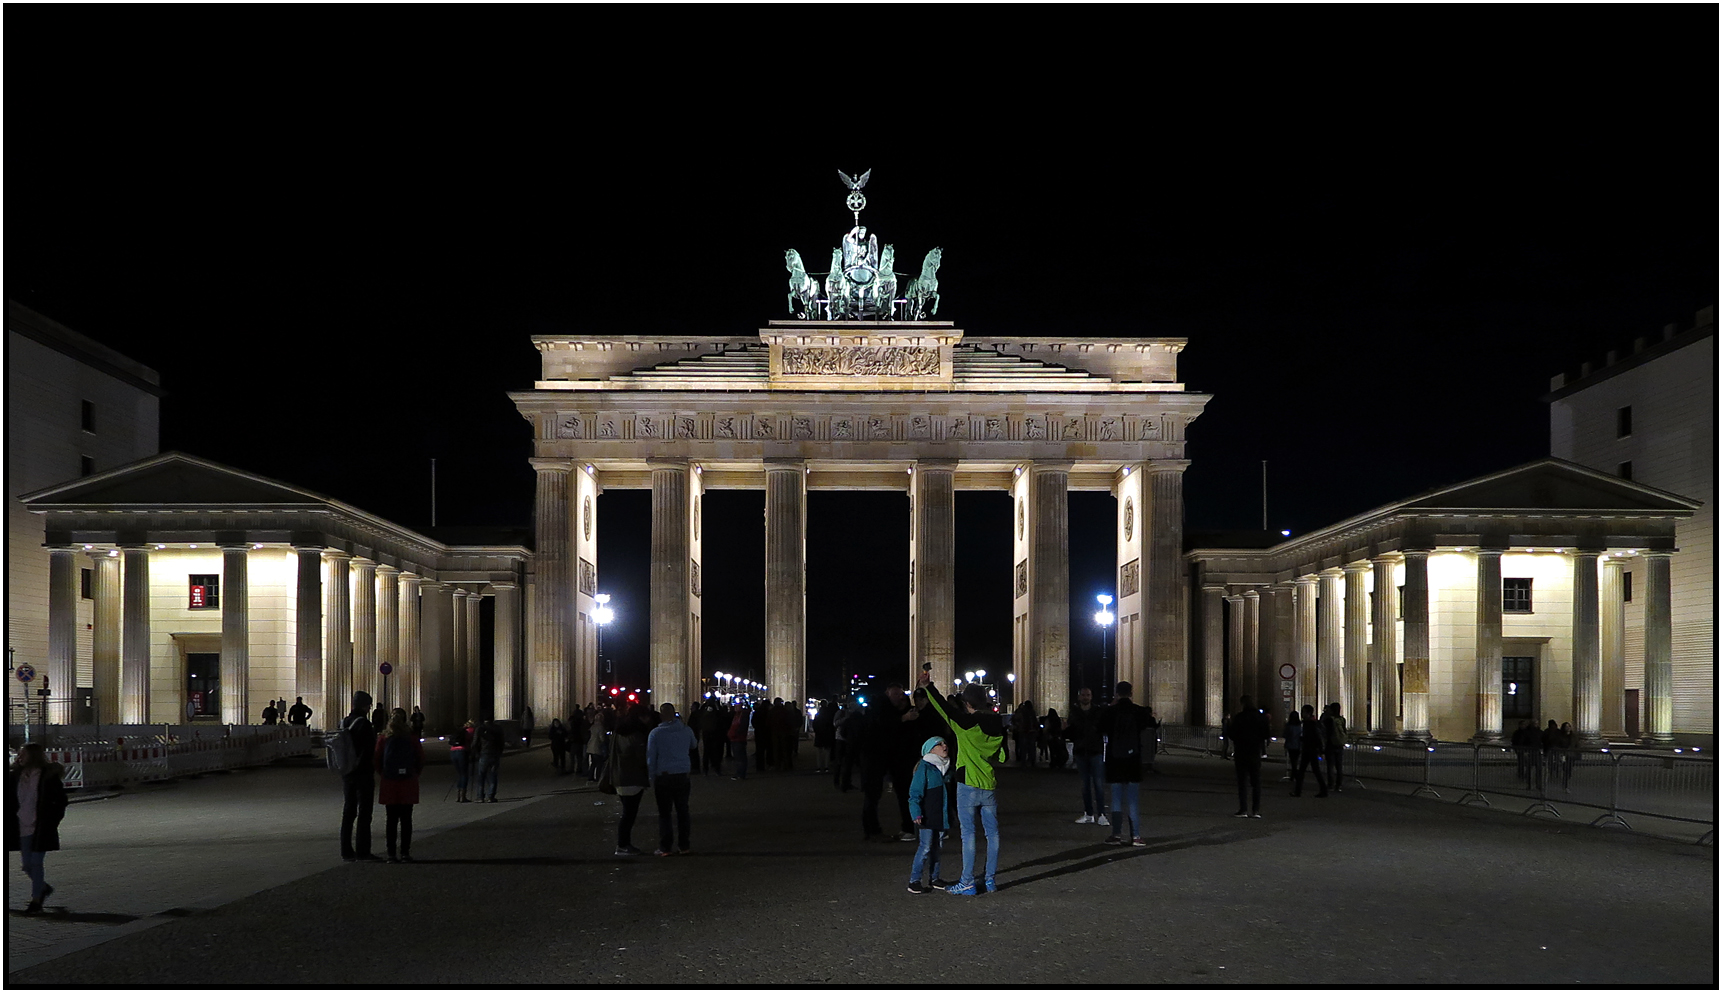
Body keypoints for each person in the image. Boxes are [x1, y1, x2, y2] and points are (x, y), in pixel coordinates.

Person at [919, 672, 1005, 897]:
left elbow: (943, 710)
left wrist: (929, 687)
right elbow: (1002, 756)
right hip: (988, 783)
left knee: (968, 834)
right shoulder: (998, 724)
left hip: (967, 783)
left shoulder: (964, 723)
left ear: (967, 703)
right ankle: (990, 880)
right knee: (993, 834)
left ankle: (967, 881)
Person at [7, 742, 69, 914]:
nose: (19, 758)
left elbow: (60, 801)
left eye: (23, 754)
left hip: (41, 827)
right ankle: (42, 887)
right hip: (21, 826)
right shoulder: (14, 777)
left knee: (36, 863)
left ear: (33, 756)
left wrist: (51, 820)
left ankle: (36, 901)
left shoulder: (46, 776)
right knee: (27, 865)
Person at [861, 682, 920, 842]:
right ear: (887, 693)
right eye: (897, 694)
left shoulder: (882, 708)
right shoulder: (881, 710)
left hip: (885, 758)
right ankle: (873, 830)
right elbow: (882, 725)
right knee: (873, 795)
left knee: (875, 795)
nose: (900, 697)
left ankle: (874, 830)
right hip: (877, 758)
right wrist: (903, 718)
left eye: (902, 695)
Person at [1098, 681, 1153, 845]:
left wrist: (1111, 705)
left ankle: (1116, 834)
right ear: (1131, 693)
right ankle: (1135, 835)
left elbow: (1100, 727)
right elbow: (1148, 724)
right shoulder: (1139, 711)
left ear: (1116, 693)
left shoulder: (1110, 712)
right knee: (1133, 800)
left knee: (1116, 799)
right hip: (1133, 759)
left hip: (1114, 759)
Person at [374, 708, 425, 863]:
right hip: (408, 782)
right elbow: (420, 758)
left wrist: (384, 773)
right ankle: (405, 853)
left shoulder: (384, 737)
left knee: (391, 820)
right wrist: (414, 773)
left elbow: (377, 759)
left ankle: (390, 853)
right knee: (406, 820)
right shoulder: (411, 737)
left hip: (390, 783)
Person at [647, 702, 697, 856]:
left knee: (665, 813)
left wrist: (651, 776)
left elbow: (651, 757)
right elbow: (694, 745)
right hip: (682, 774)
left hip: (664, 776)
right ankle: (684, 846)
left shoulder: (655, 733)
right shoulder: (686, 729)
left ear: (661, 715)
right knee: (683, 811)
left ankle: (665, 847)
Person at [906, 736, 953, 894]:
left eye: (944, 743)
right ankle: (914, 880)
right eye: (939, 744)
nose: (944, 746)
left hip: (940, 814)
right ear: (930, 750)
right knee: (925, 847)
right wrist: (916, 812)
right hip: (927, 815)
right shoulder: (925, 767)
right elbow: (915, 792)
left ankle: (935, 878)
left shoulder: (946, 767)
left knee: (937, 848)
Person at [338, 691, 380, 862]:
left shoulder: (344, 722)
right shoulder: (364, 724)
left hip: (347, 772)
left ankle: (346, 850)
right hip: (362, 773)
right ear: (364, 705)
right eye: (369, 705)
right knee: (364, 812)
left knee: (348, 811)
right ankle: (363, 851)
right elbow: (369, 750)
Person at [608, 704, 651, 855]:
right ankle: (623, 844)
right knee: (629, 814)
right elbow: (641, 758)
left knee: (627, 813)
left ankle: (624, 844)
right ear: (640, 717)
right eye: (646, 716)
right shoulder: (637, 734)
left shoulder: (618, 732)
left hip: (620, 776)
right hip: (633, 778)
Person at [1065, 687, 1109, 825]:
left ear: (1091, 697)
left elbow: (1103, 728)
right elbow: (1071, 732)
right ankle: (1089, 814)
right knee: (1085, 785)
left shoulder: (1098, 711)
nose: (1085, 697)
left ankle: (1101, 814)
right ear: (1079, 697)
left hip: (1095, 751)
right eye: (1083, 695)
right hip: (1080, 751)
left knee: (1098, 784)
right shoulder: (1074, 712)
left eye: (1088, 695)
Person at [1229, 696, 1270, 819]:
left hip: (1241, 751)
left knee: (1242, 782)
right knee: (1256, 782)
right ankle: (1255, 810)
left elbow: (1231, 733)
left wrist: (1239, 740)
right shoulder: (1260, 717)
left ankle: (1243, 809)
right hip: (1254, 751)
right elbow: (1266, 734)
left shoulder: (1239, 717)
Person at [1292, 704, 1329, 798]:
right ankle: (1299, 791)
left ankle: (1298, 791)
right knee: (1311, 771)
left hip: (1310, 749)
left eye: (1303, 712)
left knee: (1308, 771)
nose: (1302, 714)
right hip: (1309, 749)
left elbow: (1317, 737)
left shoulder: (1311, 724)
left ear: (1308, 713)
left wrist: (1321, 750)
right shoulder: (1309, 723)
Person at [835, 699, 864, 792]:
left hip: (849, 743)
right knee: (862, 766)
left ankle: (844, 784)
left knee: (847, 765)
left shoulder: (848, 719)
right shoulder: (861, 718)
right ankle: (864, 785)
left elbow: (843, 731)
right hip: (859, 743)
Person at [475, 719, 505, 802]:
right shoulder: (498, 728)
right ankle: (491, 796)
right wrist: (500, 752)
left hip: (484, 753)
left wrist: (475, 753)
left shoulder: (480, 729)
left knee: (481, 776)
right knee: (493, 775)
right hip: (495, 754)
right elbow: (502, 742)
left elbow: (475, 742)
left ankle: (480, 796)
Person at [1322, 702, 1349, 792]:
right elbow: (1345, 731)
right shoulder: (1342, 719)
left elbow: (1324, 731)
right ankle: (1339, 785)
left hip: (1330, 745)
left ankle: (1330, 784)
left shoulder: (1329, 720)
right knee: (1339, 766)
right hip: (1339, 745)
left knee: (1330, 766)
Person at [698, 698, 728, 775]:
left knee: (706, 752)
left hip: (706, 733)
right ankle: (717, 768)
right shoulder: (717, 709)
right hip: (715, 733)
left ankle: (705, 769)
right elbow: (723, 716)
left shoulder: (704, 709)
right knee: (716, 752)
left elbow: (699, 715)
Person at [451, 719, 474, 803]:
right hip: (462, 751)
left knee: (459, 774)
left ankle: (458, 796)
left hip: (453, 751)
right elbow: (473, 742)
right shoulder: (470, 731)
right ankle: (463, 796)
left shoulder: (460, 731)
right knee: (464, 774)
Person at [726, 701, 750, 780]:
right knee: (738, 757)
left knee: (740, 758)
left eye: (737, 706)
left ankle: (741, 774)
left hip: (739, 739)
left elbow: (742, 727)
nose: (736, 708)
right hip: (735, 738)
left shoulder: (742, 716)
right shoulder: (737, 715)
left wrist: (735, 734)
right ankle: (739, 773)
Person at [812, 700, 836, 774]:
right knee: (827, 751)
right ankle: (826, 766)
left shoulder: (818, 714)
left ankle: (818, 767)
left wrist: (816, 731)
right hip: (828, 734)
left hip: (819, 734)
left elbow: (814, 724)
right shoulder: (830, 714)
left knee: (819, 751)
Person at [1014, 701, 1039, 768]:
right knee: (1031, 747)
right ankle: (1032, 761)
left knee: (1023, 747)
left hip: (1023, 731)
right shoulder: (1032, 712)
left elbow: (1016, 720)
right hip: (1031, 731)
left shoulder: (1022, 712)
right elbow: (1035, 722)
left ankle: (1023, 761)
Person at [1555, 722, 1578, 791]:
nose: (1568, 728)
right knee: (1566, 770)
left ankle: (1565, 782)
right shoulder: (1560, 736)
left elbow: (1576, 745)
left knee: (1569, 771)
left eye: (1569, 726)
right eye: (1566, 726)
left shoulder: (1573, 736)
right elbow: (1558, 744)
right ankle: (1565, 785)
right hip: (1564, 754)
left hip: (1571, 755)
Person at [1282, 711, 1302, 783]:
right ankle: (1294, 775)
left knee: (1293, 761)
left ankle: (1295, 775)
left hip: (1291, 745)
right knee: (1295, 760)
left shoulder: (1289, 726)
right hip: (1298, 745)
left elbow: (1285, 735)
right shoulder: (1300, 726)